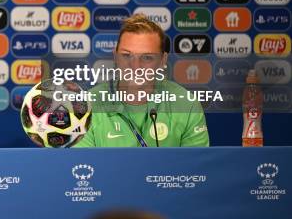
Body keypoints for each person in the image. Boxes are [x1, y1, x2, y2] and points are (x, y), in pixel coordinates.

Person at [75, 14, 209, 147]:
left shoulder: (186, 104)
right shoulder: (86, 106)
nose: (135, 66)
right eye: (127, 55)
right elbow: (84, 166)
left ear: (163, 60)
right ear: (115, 57)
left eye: (147, 57)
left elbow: (195, 166)